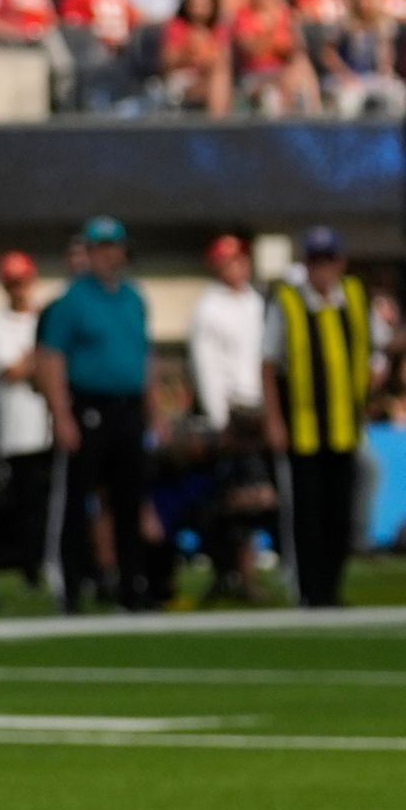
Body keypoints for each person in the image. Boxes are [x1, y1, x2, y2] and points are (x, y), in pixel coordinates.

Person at [36, 216, 152, 609]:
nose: (107, 256)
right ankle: (71, 586)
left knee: (128, 501)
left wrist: (153, 412)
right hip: (89, 407)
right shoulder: (71, 301)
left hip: (128, 408)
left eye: (113, 247)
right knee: (76, 500)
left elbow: (144, 357)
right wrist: (62, 414)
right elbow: (50, 359)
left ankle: (131, 585)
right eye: (99, 248)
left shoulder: (134, 297)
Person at [260, 227, 374, 610]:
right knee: (308, 514)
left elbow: (377, 348)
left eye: (329, 261)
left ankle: (332, 588)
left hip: (345, 429)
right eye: (316, 262)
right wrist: (274, 421)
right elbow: (269, 365)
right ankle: (310, 591)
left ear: (340, 263)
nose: (323, 270)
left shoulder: (355, 297)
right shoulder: (289, 303)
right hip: (303, 430)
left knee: (340, 514)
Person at [187, 235, 272, 600]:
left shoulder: (257, 303)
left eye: (238, 259)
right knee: (230, 495)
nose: (234, 267)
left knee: (255, 495)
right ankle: (231, 572)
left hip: (261, 411)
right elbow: (207, 368)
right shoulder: (209, 308)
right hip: (233, 416)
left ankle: (246, 572)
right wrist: (221, 419)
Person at [0, 252, 58, 596]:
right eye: (12, 282)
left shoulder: (49, 319)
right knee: (27, 505)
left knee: (56, 502)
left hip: (53, 425)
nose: (19, 288)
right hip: (18, 431)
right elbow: (10, 370)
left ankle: (57, 562)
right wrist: (38, 358)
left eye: (23, 281)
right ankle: (31, 568)